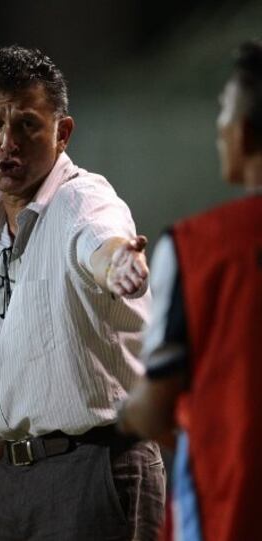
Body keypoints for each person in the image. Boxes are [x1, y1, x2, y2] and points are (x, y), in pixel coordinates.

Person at [0, 45, 165, 541]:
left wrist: (119, 264)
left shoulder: (83, 200)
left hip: (95, 468)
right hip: (10, 479)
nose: (9, 143)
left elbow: (102, 241)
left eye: (27, 124)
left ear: (62, 133)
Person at [120, 41, 262, 541]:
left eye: (223, 111)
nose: (218, 128)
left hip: (229, 509)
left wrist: (119, 412)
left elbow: (155, 406)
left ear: (243, 132)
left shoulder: (198, 247)